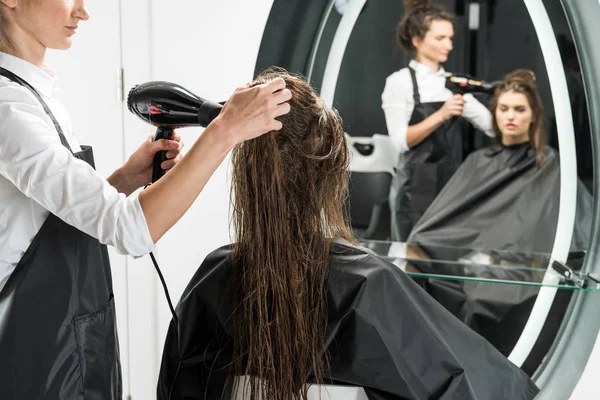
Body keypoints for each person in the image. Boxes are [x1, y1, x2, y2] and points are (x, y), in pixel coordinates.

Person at [157, 69, 539, 400]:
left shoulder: (214, 276)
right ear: (332, 173)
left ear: (247, 178)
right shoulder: (371, 283)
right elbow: (448, 384)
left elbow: (181, 383)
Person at [0, 1, 292, 399]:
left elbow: (42, 220)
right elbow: (132, 231)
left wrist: (125, 180)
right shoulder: (8, 110)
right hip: (35, 356)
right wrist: (225, 131)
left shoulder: (32, 95)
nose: (83, 12)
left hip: (72, 344)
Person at [404, 68, 593, 372]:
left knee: (484, 301)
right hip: (474, 271)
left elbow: (573, 237)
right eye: (504, 109)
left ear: (533, 115)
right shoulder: (478, 163)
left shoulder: (551, 166)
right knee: (441, 288)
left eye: (520, 109)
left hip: (526, 281)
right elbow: (433, 232)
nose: (511, 117)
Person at [382, 0, 494, 241]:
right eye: (440, 38)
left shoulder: (453, 85)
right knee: (411, 261)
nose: (449, 45)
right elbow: (400, 141)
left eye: (450, 39)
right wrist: (441, 115)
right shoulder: (398, 82)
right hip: (413, 191)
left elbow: (491, 126)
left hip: (449, 188)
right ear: (417, 40)